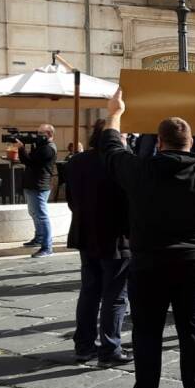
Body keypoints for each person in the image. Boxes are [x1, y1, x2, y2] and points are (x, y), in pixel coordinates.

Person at [99, 88, 195, 388]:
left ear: (159, 143)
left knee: (147, 330)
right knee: (193, 328)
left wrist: (115, 112)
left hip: (150, 262)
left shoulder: (140, 171)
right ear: (192, 143)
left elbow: (111, 145)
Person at [63, 120, 132, 366]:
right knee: (114, 296)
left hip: (86, 233)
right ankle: (110, 349)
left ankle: (84, 345)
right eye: (123, 133)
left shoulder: (75, 162)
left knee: (89, 291)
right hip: (116, 236)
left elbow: (71, 200)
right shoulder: (121, 162)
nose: (126, 138)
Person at [15, 123, 57, 257]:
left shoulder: (48, 149)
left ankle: (47, 247)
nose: (37, 137)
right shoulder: (41, 147)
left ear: (49, 135)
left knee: (41, 216)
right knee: (34, 213)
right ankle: (39, 238)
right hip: (33, 184)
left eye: (40, 134)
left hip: (39, 185)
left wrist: (22, 148)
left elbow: (29, 161)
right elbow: (29, 160)